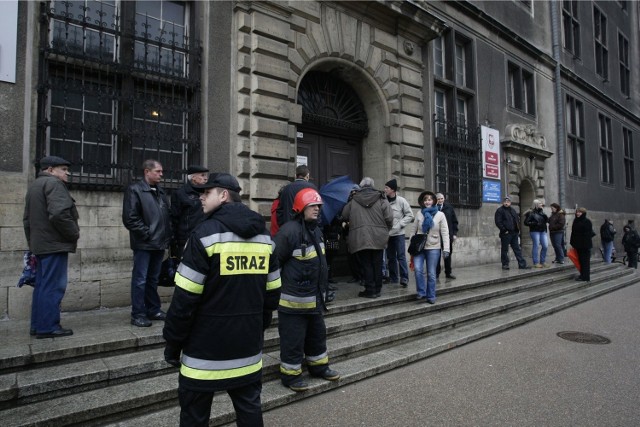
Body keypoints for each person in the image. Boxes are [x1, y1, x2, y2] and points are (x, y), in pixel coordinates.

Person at [163, 173, 281, 427]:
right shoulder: (263, 237)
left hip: (202, 354)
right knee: (250, 412)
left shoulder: (203, 235)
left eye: (207, 193)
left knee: (195, 416)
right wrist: (256, 327)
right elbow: (272, 294)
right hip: (247, 351)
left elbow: (184, 300)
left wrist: (173, 342)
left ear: (223, 195)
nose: (200, 198)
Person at [274, 188, 340, 392]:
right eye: (313, 206)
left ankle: (319, 367)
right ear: (301, 207)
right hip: (293, 302)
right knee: (292, 341)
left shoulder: (316, 230)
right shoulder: (288, 231)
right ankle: (291, 375)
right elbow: (273, 263)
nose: (317, 210)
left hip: (314, 300)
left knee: (317, 336)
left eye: (318, 207)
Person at [23, 155, 79, 338]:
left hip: (41, 244)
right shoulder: (54, 184)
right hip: (54, 244)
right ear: (50, 170)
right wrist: (73, 233)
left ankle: (38, 325)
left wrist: (32, 243)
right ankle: (48, 327)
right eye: (63, 169)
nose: (67, 173)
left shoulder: (35, 186)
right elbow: (59, 214)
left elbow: (27, 221)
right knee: (53, 286)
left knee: (42, 285)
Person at [122, 159, 172, 327]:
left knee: (153, 279)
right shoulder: (135, 190)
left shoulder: (161, 192)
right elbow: (130, 218)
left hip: (159, 243)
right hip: (144, 244)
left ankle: (153, 309)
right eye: (158, 171)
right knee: (140, 279)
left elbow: (166, 217)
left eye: (161, 171)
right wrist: (148, 234)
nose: (161, 174)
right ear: (147, 171)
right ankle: (138, 313)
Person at [341, 177, 393, 298]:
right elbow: (389, 217)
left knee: (366, 264)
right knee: (378, 263)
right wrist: (386, 230)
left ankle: (370, 289)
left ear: (361, 186)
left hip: (361, 236)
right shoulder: (381, 198)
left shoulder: (354, 199)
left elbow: (344, 214)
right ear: (373, 185)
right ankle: (378, 289)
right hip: (379, 236)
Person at [411, 191, 449, 304]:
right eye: (425, 200)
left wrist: (446, 249)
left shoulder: (440, 215)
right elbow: (413, 231)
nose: (427, 201)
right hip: (419, 247)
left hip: (433, 247)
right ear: (423, 202)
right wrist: (411, 248)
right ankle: (421, 292)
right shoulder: (419, 213)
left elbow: (445, 232)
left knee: (431, 273)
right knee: (418, 269)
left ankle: (431, 295)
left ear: (434, 201)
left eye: (430, 199)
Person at [170, 165, 209, 259]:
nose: (206, 178)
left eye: (206, 175)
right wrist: (174, 242)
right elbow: (174, 218)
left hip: (205, 239)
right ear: (193, 178)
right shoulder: (181, 194)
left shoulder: (208, 193)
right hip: (186, 240)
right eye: (202, 175)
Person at [383, 179, 414, 287]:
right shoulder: (383, 201)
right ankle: (393, 278)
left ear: (393, 190)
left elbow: (410, 215)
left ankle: (404, 278)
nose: (385, 189)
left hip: (399, 234)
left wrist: (400, 224)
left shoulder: (401, 201)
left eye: (387, 188)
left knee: (401, 256)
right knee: (390, 257)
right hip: (387, 234)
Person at [494, 196, 529, 270]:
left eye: (508, 202)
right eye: (505, 202)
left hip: (514, 233)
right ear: (503, 202)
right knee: (505, 250)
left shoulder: (512, 210)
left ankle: (522, 264)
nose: (506, 203)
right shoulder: (500, 210)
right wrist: (504, 230)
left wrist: (517, 229)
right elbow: (498, 221)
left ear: (510, 202)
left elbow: (516, 220)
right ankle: (505, 264)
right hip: (506, 233)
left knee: (517, 249)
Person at [435, 193, 459, 279]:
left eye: (442, 198)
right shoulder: (433, 208)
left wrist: (455, 234)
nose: (440, 200)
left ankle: (448, 273)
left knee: (447, 254)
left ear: (444, 199)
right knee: (436, 255)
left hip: (448, 235)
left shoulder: (449, 207)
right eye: (438, 199)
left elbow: (454, 221)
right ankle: (436, 273)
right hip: (436, 236)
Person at [570, 207, 594, 282]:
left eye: (580, 212)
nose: (578, 213)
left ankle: (586, 277)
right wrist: (573, 242)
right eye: (577, 212)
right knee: (580, 261)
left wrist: (584, 244)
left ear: (583, 213)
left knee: (585, 262)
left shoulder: (587, 221)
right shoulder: (576, 221)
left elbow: (587, 234)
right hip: (578, 245)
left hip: (584, 245)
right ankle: (582, 275)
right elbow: (573, 233)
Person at [524, 199, 549, 268]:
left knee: (545, 246)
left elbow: (546, 221)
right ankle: (536, 262)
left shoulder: (542, 212)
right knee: (536, 245)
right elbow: (526, 222)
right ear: (536, 205)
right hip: (535, 231)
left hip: (543, 231)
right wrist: (535, 223)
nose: (542, 205)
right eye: (540, 203)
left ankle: (543, 261)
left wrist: (546, 217)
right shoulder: (531, 213)